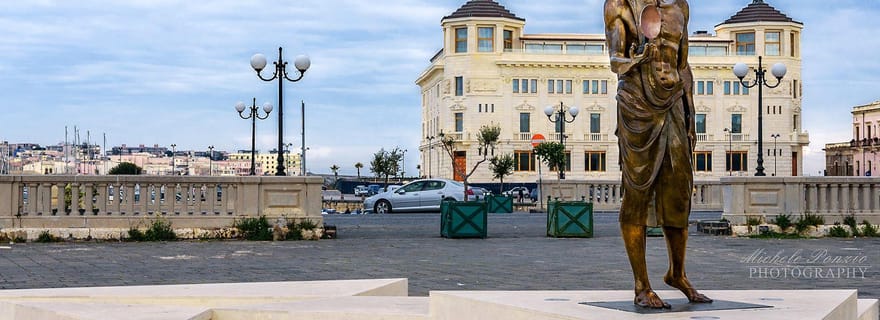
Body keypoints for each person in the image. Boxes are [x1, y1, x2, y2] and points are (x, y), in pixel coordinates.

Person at [604, 0, 711, 309]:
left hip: (674, 101)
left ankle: (677, 274)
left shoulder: (680, 6)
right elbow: (615, 61)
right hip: (637, 102)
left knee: (679, 194)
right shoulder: (620, 6)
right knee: (637, 192)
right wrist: (635, 58)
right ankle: (641, 285)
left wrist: (690, 115)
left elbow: (682, 65)